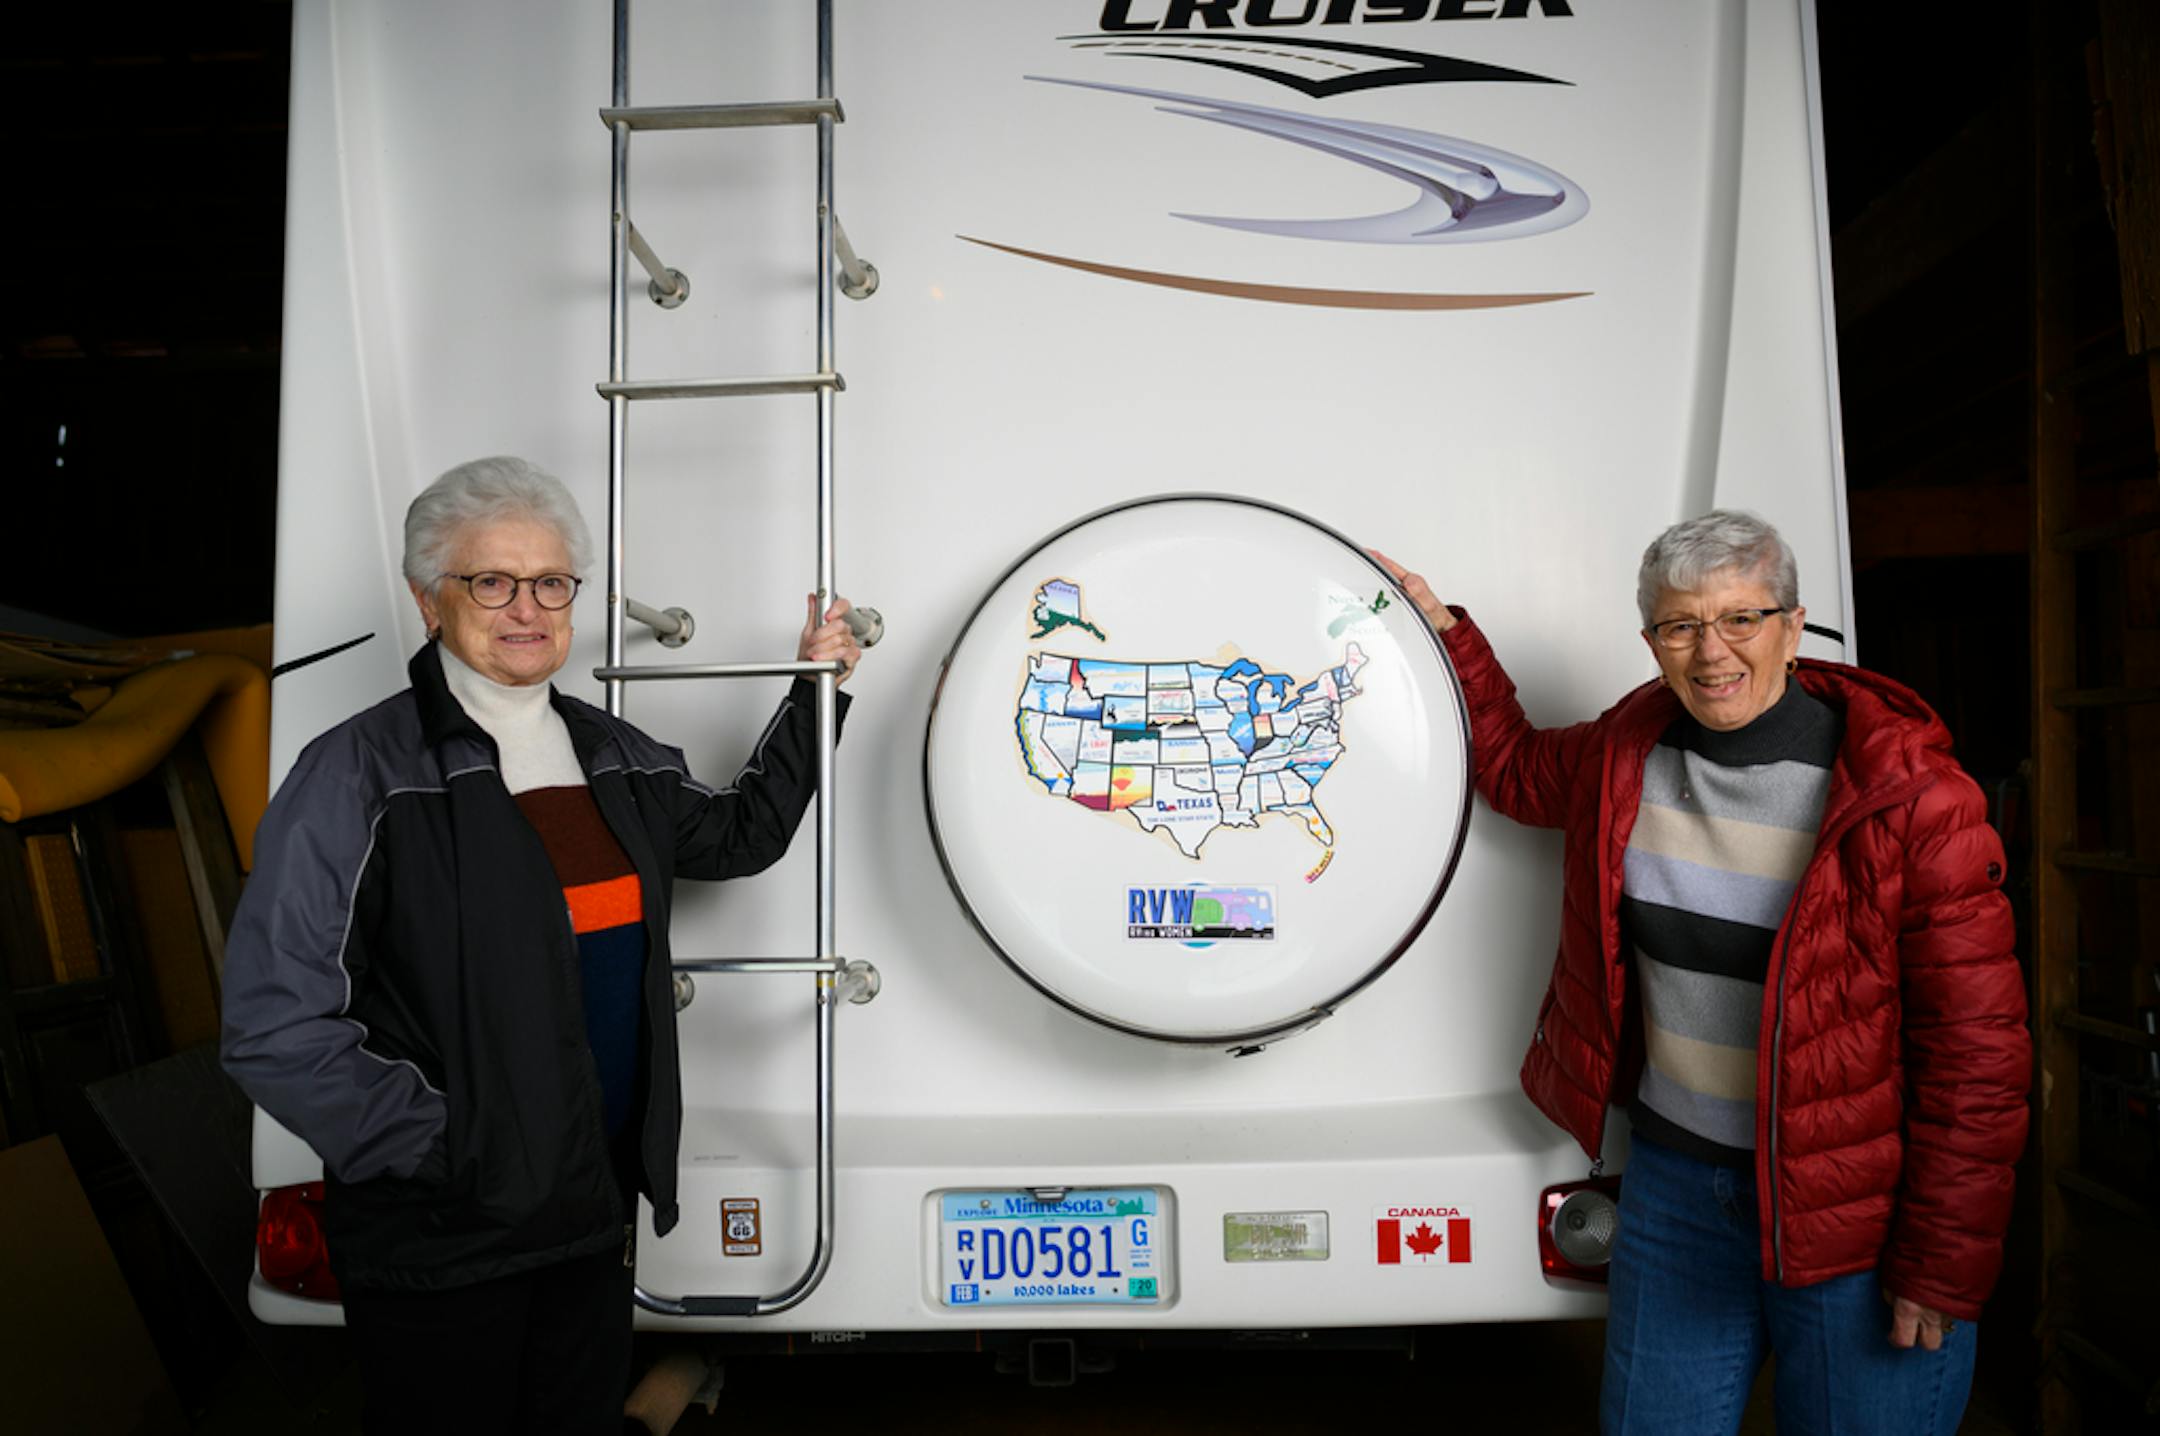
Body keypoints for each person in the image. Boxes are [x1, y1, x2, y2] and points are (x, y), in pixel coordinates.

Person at [221, 455, 864, 1434]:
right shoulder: (355, 774)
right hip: (443, 1233)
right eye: (492, 581)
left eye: (551, 582)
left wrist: (816, 687)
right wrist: (451, 1149)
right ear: (429, 599)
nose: (527, 608)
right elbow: (274, 1023)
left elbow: (741, 834)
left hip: (589, 1215)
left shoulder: (613, 756)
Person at [1374, 511, 2027, 1435]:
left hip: (1856, 1216)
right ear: (1652, 643)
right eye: (1681, 625)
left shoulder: (1909, 802)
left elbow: (1977, 1057)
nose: (1712, 651)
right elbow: (1515, 767)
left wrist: (1940, 1260)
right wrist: (1446, 634)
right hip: (1678, 1196)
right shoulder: (1626, 753)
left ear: (1793, 628)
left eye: (1741, 619)